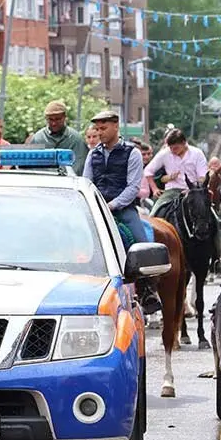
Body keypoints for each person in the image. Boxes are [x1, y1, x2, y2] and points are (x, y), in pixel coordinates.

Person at [83, 111, 161, 314]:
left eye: (103, 128)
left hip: (123, 208)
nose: (100, 133)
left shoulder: (132, 153)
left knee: (140, 241)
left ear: (116, 126)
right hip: (97, 208)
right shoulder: (93, 154)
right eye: (97, 129)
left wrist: (112, 205)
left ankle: (147, 291)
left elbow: (133, 187)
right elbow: (87, 181)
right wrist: (96, 204)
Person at [145, 128, 208, 218]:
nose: (173, 150)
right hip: (172, 191)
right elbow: (148, 171)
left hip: (194, 191)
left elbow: (202, 176)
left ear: (184, 142)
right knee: (153, 215)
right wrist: (154, 189)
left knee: (207, 213)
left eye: (176, 148)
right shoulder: (165, 154)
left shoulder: (197, 153)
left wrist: (192, 189)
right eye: (171, 148)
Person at [30, 101, 88, 175]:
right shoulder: (38, 139)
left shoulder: (76, 139)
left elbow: (80, 166)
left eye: (57, 119)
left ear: (64, 117)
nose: (54, 123)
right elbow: (32, 166)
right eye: (50, 119)